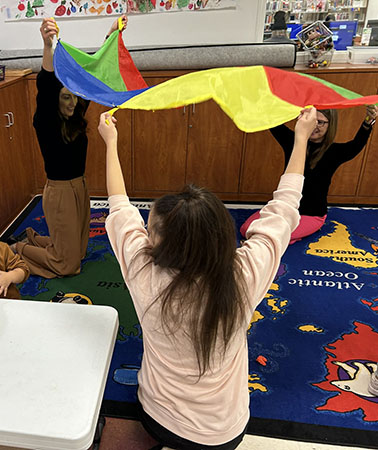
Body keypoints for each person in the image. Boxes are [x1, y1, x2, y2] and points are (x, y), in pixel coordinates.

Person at [97, 107, 317, 450]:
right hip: (224, 435)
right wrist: (300, 138)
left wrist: (111, 143)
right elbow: (285, 205)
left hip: (157, 420)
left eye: (150, 229)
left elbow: (119, 206)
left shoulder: (143, 269)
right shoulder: (244, 274)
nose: (145, 234)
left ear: (159, 243)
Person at [11, 15, 127, 278]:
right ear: (56, 99)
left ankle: (43, 243)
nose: (72, 102)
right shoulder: (46, 121)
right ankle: (18, 248)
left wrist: (110, 35)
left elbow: (92, 78)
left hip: (80, 187)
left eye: (74, 97)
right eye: (65, 97)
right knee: (67, 265)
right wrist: (47, 44)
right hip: (60, 192)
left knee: (80, 252)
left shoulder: (74, 115)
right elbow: (47, 83)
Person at [240, 105, 378, 244]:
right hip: (285, 209)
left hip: (312, 215)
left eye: (321, 122)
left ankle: (293, 235)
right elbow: (272, 122)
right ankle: (288, 236)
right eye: (312, 120)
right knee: (247, 229)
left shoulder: (335, 152)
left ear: (330, 125)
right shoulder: (292, 141)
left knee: (273, 237)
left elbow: (356, 145)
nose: (314, 125)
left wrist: (369, 120)